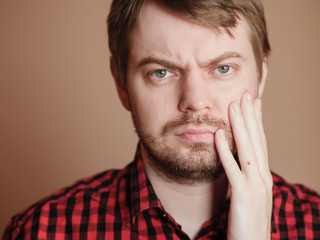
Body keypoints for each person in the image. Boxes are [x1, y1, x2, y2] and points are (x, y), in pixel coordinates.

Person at [3, 0, 320, 239]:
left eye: (223, 69)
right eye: (161, 72)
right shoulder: (40, 230)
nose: (194, 101)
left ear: (261, 75)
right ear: (121, 83)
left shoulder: (314, 224)